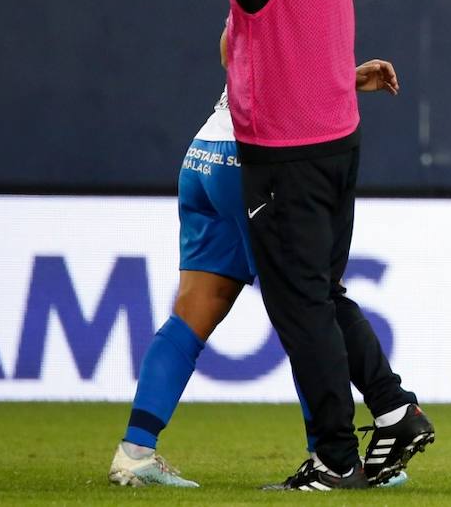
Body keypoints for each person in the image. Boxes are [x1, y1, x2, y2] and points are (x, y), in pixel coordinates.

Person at [123, 0, 434, 490]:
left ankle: (334, 456)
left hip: (283, 150)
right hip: (334, 135)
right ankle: (393, 413)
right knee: (319, 292)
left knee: (300, 311)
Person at [110, 50, 407, 487]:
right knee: (307, 308)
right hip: (251, 160)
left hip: (205, 153)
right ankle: (331, 460)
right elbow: (246, 47)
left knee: (190, 317)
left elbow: (242, 47)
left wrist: (340, 79)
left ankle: (134, 453)